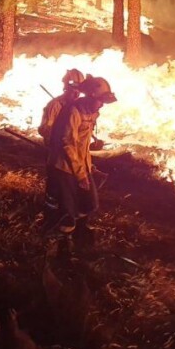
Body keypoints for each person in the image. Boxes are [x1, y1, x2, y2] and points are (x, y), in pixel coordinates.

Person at [46, 76, 117, 234]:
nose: (102, 105)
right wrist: (80, 174)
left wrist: (88, 165)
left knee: (89, 203)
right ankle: (62, 245)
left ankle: (79, 231)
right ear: (91, 96)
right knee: (68, 211)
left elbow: (81, 144)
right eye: (100, 101)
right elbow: (68, 143)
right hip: (64, 167)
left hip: (80, 164)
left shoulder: (91, 112)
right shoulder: (74, 111)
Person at [38, 69, 85, 217]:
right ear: (66, 87)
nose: (76, 94)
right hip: (56, 153)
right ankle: (49, 217)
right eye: (73, 90)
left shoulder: (77, 107)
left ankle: (67, 217)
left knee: (70, 190)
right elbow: (44, 129)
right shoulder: (55, 105)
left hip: (72, 155)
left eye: (79, 91)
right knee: (54, 188)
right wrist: (58, 136)